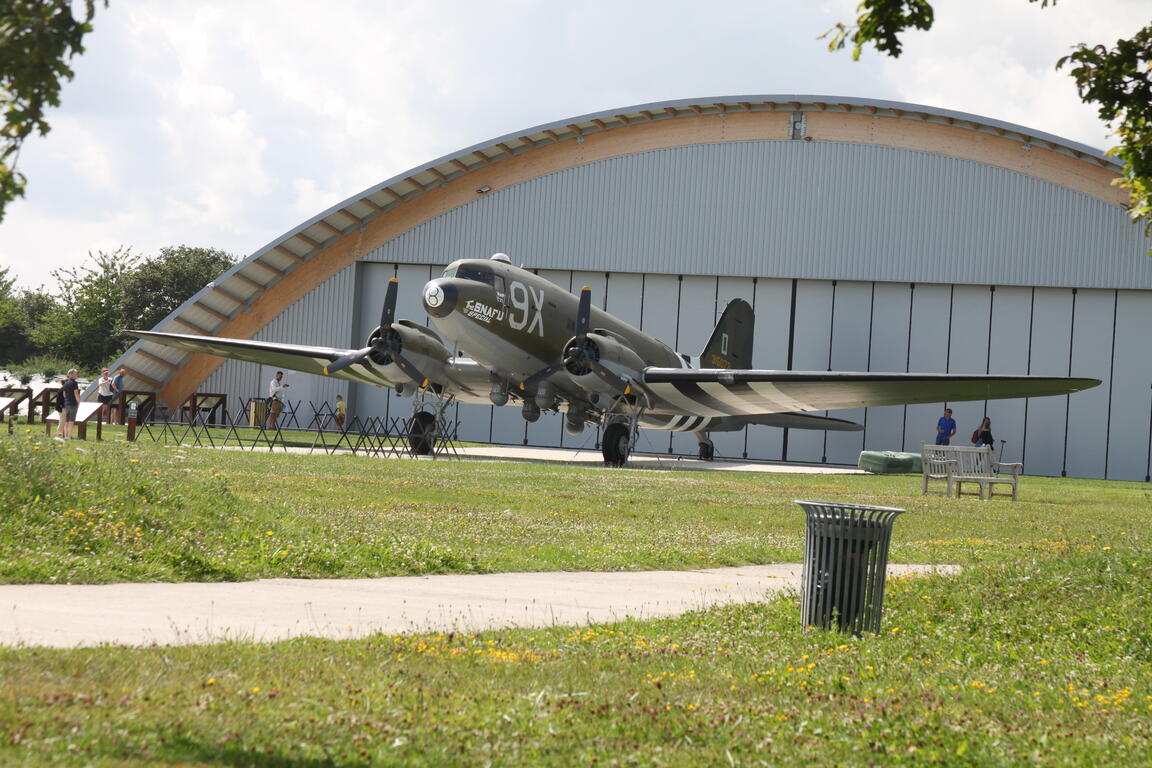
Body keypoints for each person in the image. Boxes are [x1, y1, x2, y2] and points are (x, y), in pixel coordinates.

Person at [58, 369, 80, 440]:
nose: (77, 375)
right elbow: (76, 393)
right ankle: (68, 435)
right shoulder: (74, 383)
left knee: (66, 420)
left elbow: (64, 394)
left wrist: (67, 399)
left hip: (66, 403)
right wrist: (78, 402)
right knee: (71, 420)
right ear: (71, 374)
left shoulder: (66, 383)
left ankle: (65, 435)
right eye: (75, 373)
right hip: (73, 403)